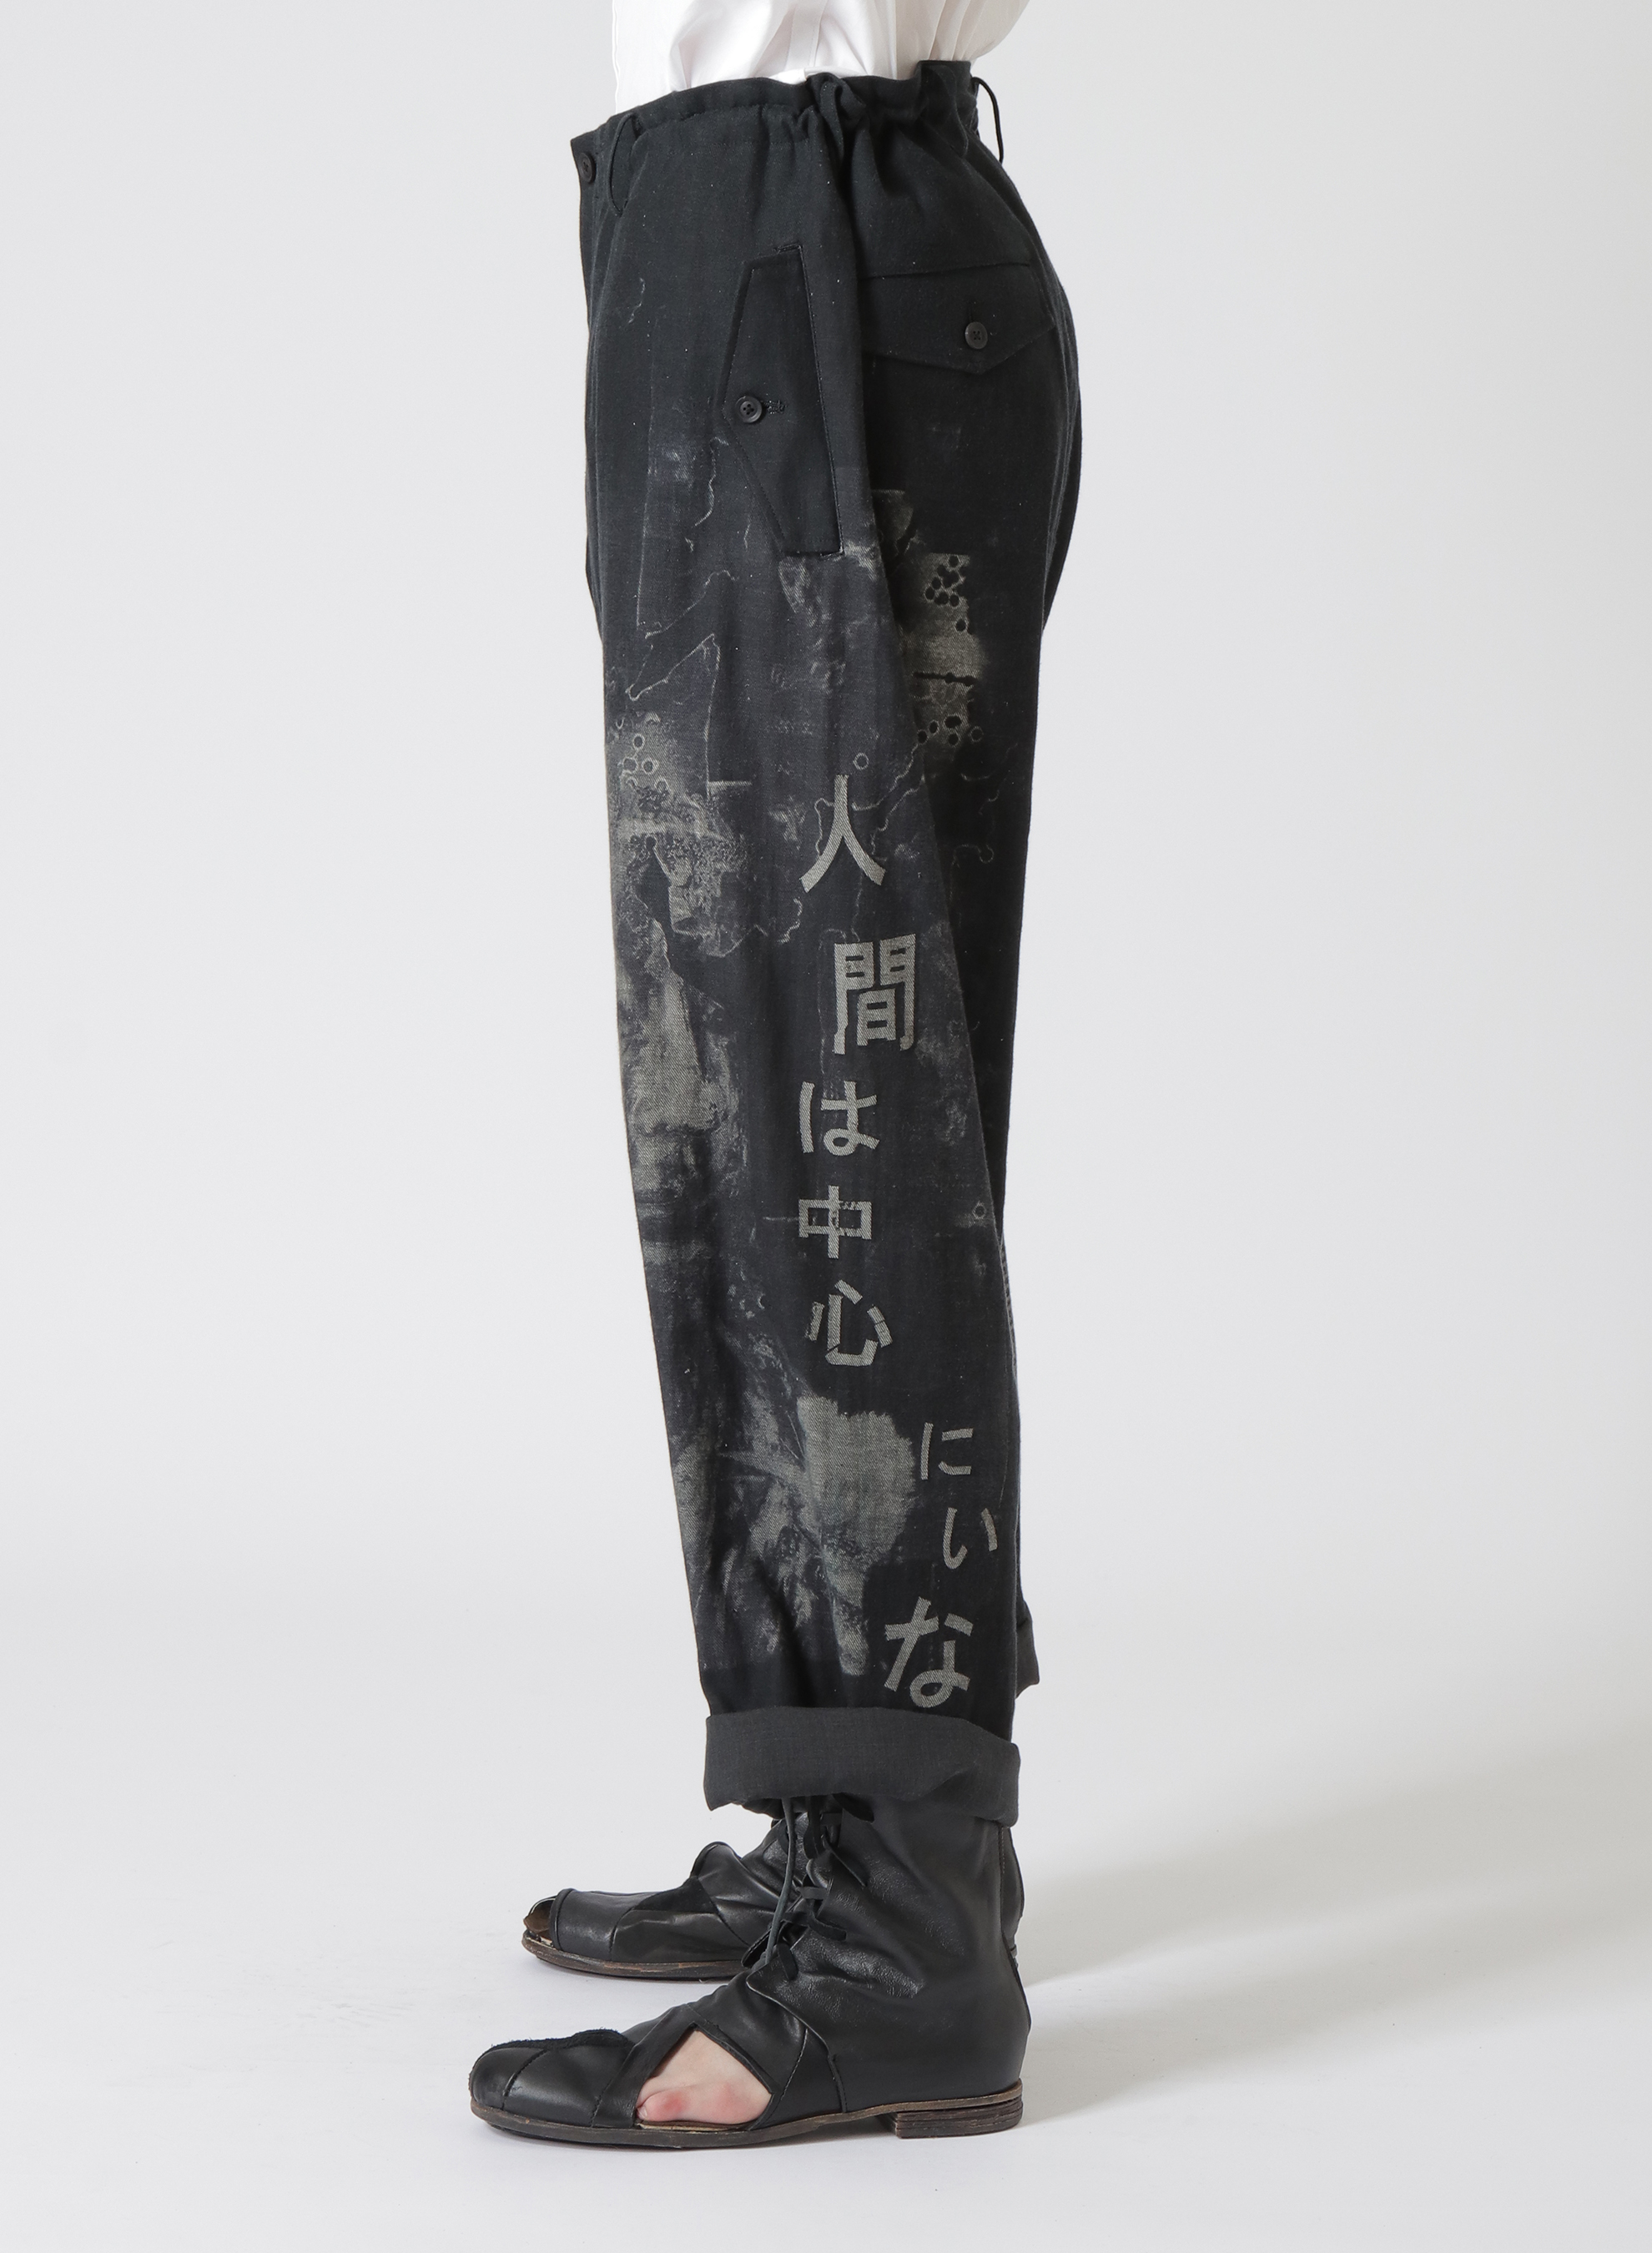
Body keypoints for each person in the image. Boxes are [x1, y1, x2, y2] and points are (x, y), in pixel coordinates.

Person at [470, 0, 1080, 2148]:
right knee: (792, 1108)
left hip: (795, 236)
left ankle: (902, 1923)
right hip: (770, 236)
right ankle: (877, 1824)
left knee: (820, 1098)